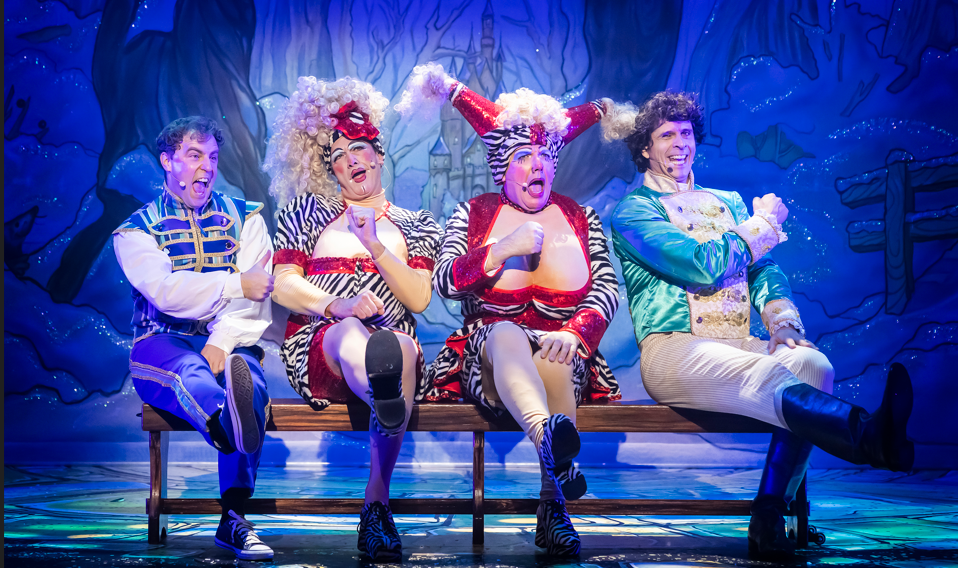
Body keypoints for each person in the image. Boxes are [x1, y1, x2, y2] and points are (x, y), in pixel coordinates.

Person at [605, 91, 914, 559]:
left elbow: (763, 269)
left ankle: (768, 514)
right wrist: (760, 226)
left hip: (738, 342)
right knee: (770, 375)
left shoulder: (726, 202)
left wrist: (781, 320)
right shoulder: (634, 211)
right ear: (645, 148)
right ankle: (869, 437)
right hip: (673, 349)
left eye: (686, 133)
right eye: (666, 135)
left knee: (811, 363)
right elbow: (699, 265)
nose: (679, 143)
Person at [396, 63, 621, 556]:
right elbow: (444, 279)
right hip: (488, 358)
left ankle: (552, 506)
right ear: (503, 166)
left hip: (561, 350)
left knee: (560, 361)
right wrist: (498, 251)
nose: (538, 164)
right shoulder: (474, 215)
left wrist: (577, 334)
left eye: (545, 154)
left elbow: (605, 287)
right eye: (524, 155)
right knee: (505, 334)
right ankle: (552, 448)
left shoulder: (580, 218)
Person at [262, 76, 441, 561]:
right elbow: (284, 284)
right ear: (331, 170)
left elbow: (420, 297)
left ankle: (376, 501)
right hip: (322, 343)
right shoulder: (307, 213)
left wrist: (374, 243)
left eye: (360, 148)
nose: (352, 160)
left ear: (379, 155)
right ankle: (378, 496)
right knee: (350, 333)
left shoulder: (416, 223)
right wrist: (336, 304)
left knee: (399, 347)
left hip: (394, 339)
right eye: (339, 156)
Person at [113, 116, 274, 560]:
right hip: (161, 344)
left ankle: (234, 519)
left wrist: (222, 339)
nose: (207, 166)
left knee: (251, 383)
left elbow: (259, 294)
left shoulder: (247, 218)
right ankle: (224, 421)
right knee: (191, 372)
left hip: (232, 341)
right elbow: (167, 293)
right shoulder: (135, 231)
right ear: (167, 161)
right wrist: (234, 284)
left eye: (213, 157)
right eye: (195, 155)